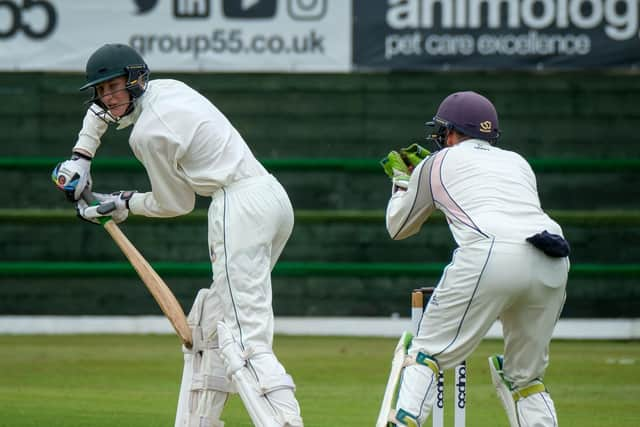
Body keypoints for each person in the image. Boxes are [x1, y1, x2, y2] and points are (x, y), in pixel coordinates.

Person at [52, 43, 304, 427]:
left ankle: (285, 422)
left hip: (237, 207)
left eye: (114, 87)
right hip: (272, 197)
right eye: (101, 91)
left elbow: (177, 203)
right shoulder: (168, 87)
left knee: (244, 339)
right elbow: (98, 116)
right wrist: (81, 156)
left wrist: (123, 204)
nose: (107, 98)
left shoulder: (149, 135)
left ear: (135, 81)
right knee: (211, 323)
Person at [378, 91, 569, 427]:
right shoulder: (518, 161)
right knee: (525, 379)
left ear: (450, 133)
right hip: (552, 255)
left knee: (427, 352)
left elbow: (399, 227)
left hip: (491, 253)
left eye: (441, 132)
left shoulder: (434, 163)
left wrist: (402, 182)